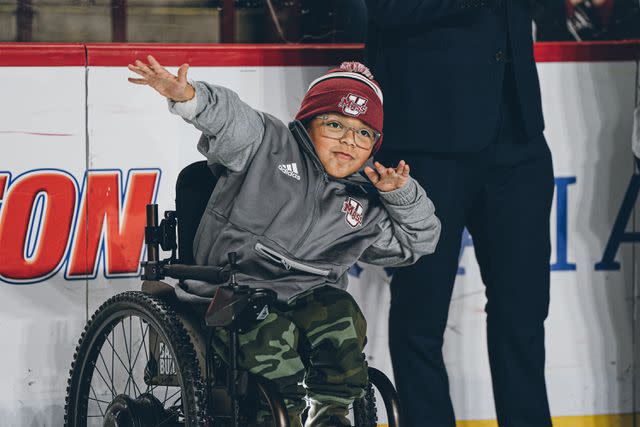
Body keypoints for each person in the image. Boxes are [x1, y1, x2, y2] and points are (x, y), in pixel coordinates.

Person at [127, 56, 441, 427]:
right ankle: (277, 417)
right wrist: (189, 97)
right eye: (335, 124)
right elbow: (231, 117)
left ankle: (331, 414)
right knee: (272, 334)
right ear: (307, 124)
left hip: (306, 297)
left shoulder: (364, 200)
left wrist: (402, 196)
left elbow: (418, 243)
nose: (348, 140)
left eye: (363, 133)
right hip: (232, 290)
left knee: (343, 314)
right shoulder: (267, 144)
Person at [365, 1, 555, 426]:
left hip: (519, 136)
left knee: (523, 314)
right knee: (420, 318)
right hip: (427, 139)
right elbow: (384, 10)